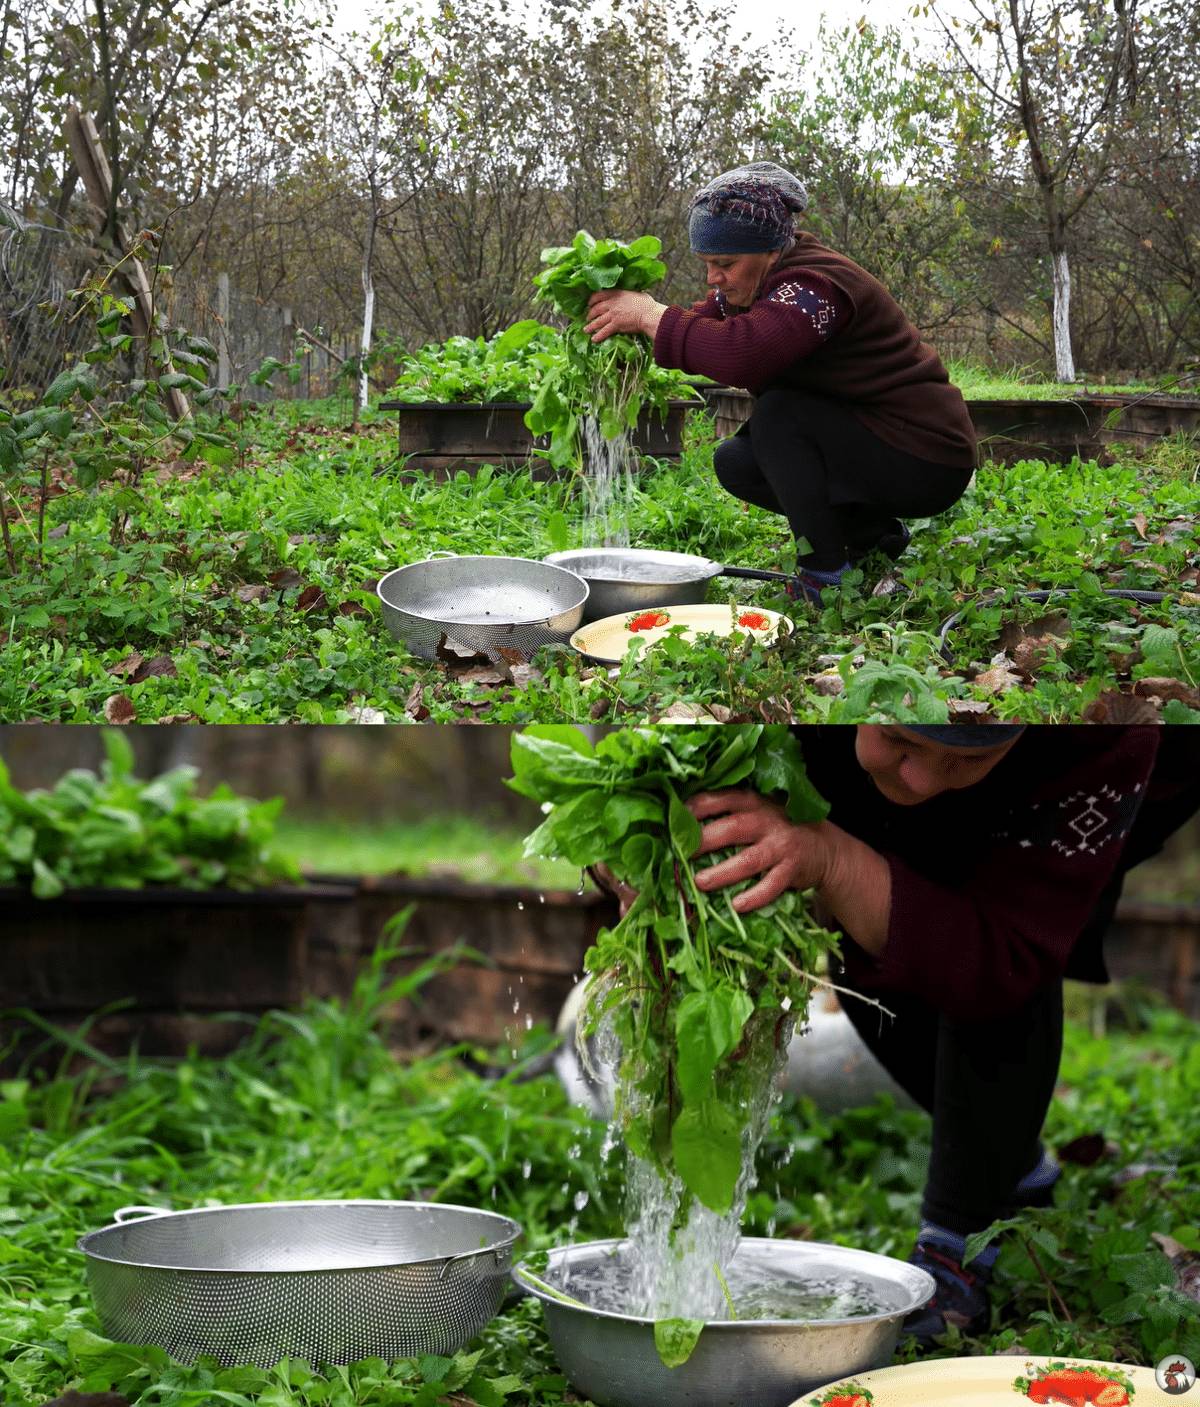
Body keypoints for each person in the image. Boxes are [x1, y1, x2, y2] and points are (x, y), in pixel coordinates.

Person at [679, 723, 1200, 1345]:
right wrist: (642, 856)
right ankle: (1010, 1166)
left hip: (1080, 786)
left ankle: (959, 1243)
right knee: (876, 917)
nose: (921, 776)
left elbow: (1009, 954)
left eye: (963, 757)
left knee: (964, 933)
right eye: (901, 740)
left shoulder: (1103, 735)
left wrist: (837, 859)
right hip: (836, 746)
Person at [584, 162, 977, 604]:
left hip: (926, 458)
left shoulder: (814, 287)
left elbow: (743, 355)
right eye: (708, 264)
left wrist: (650, 314)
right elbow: (703, 330)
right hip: (875, 442)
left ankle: (825, 574)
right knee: (738, 461)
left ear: (769, 250)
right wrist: (627, 328)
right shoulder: (761, 283)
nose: (714, 278)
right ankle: (872, 536)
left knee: (779, 414)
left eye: (725, 264)